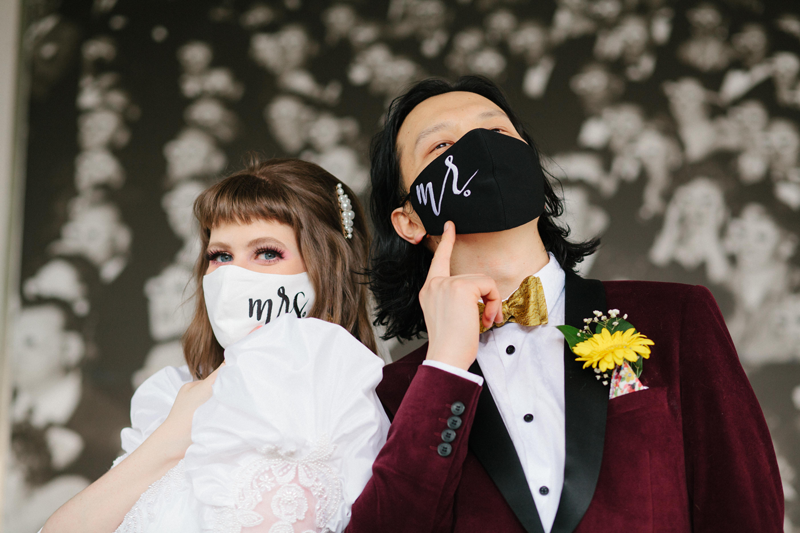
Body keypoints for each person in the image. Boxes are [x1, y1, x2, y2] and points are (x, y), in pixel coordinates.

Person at [346, 76, 783, 532]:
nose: (479, 149)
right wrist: (444, 371)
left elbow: (744, 509)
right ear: (410, 219)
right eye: (440, 146)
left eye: (496, 133)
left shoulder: (675, 316)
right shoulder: (394, 394)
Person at [42, 159, 389, 533]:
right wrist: (176, 433)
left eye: (267, 253)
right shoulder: (171, 395)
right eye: (221, 255)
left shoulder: (348, 393)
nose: (233, 276)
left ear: (327, 266)